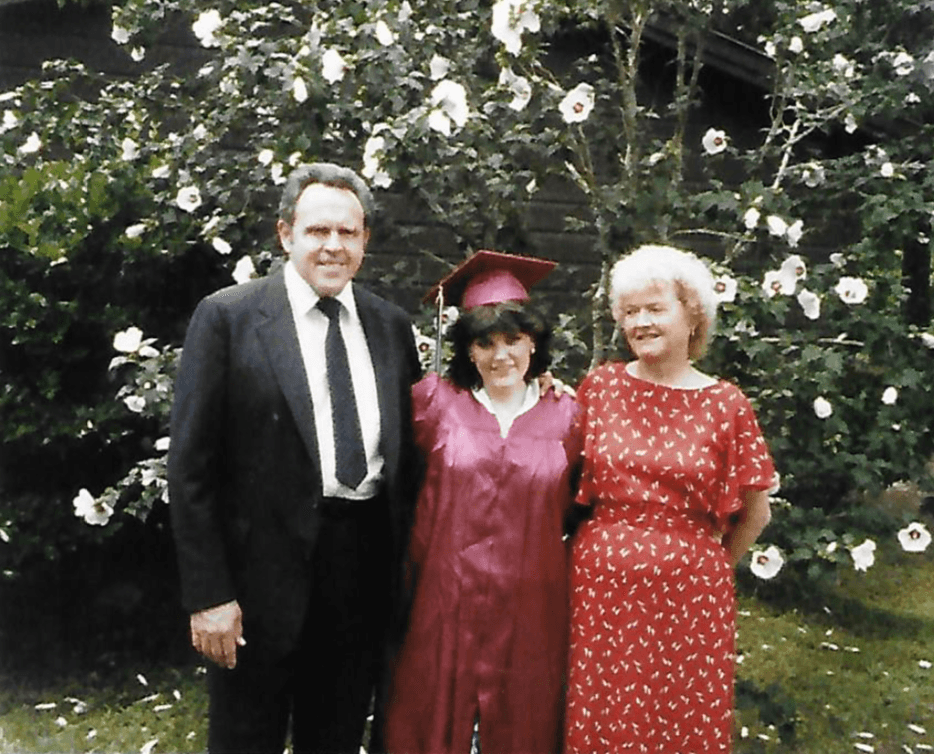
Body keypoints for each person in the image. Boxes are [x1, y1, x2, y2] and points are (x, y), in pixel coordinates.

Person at [168, 162, 421, 754]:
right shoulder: (229, 318)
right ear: (286, 235)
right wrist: (209, 595)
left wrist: (537, 391)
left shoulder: (391, 326)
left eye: (348, 232)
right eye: (317, 231)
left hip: (360, 574)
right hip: (256, 584)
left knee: (333, 738)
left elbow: (426, 437)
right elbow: (191, 468)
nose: (333, 245)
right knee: (245, 741)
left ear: (365, 240)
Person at [563, 244, 776, 754]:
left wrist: (706, 564)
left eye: (655, 308)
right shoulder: (599, 387)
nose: (641, 322)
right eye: (630, 312)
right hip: (601, 590)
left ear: (692, 314)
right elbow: (553, 469)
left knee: (679, 720)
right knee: (603, 712)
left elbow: (756, 511)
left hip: (690, 594)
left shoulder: (726, 404)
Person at [383, 250, 582, 754]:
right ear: (467, 350)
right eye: (484, 342)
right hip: (444, 598)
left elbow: (584, 504)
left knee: (522, 720)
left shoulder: (571, 416)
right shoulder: (434, 402)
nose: (501, 356)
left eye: (513, 339)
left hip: (532, 602)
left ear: (533, 342)